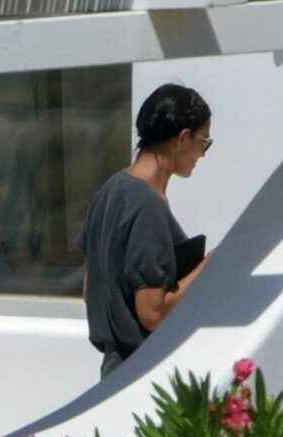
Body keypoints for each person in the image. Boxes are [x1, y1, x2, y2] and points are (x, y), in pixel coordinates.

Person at [77, 83, 212, 378]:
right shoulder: (147, 204)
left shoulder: (111, 189)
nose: (202, 154)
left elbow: (90, 289)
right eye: (204, 142)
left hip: (113, 370)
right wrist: (208, 267)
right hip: (141, 372)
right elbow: (152, 313)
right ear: (183, 138)